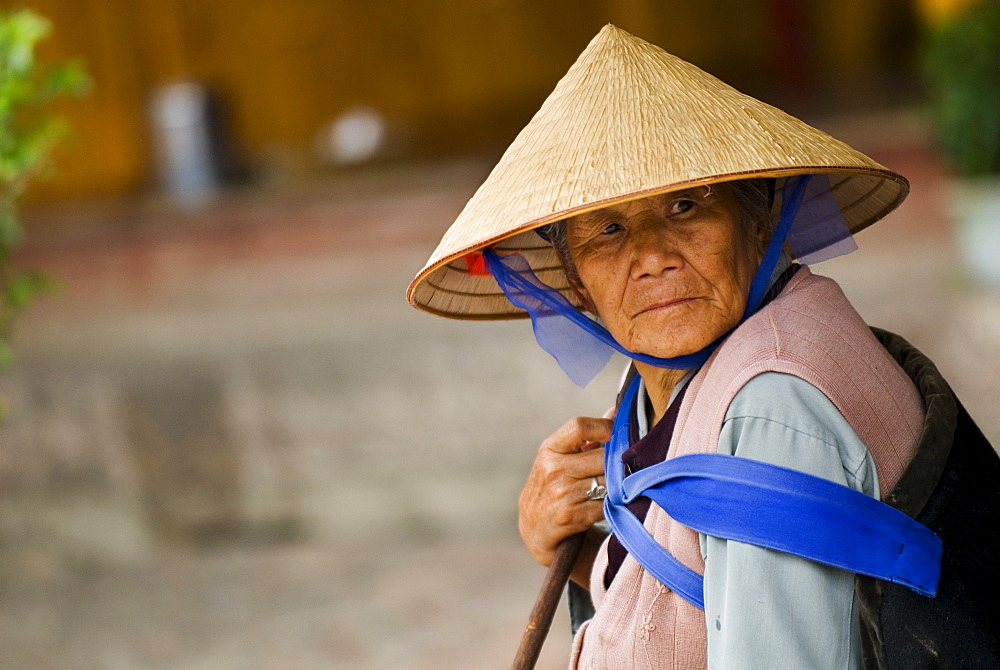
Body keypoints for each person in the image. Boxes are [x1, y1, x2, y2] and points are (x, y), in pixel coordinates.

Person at [407, 25, 987, 668]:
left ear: (758, 216)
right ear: (575, 278)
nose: (652, 256)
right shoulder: (687, 375)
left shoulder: (772, 407)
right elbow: (705, 592)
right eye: (608, 230)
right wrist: (572, 551)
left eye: (685, 206)